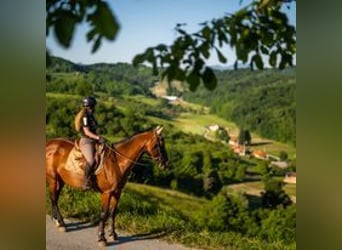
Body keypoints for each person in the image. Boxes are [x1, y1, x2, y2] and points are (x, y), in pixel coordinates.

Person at [74, 96, 105, 190]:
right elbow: (87, 132)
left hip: (94, 140)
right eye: (93, 106)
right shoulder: (85, 116)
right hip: (86, 141)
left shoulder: (90, 115)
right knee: (91, 161)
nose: (94, 108)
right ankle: (85, 182)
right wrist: (98, 137)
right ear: (91, 106)